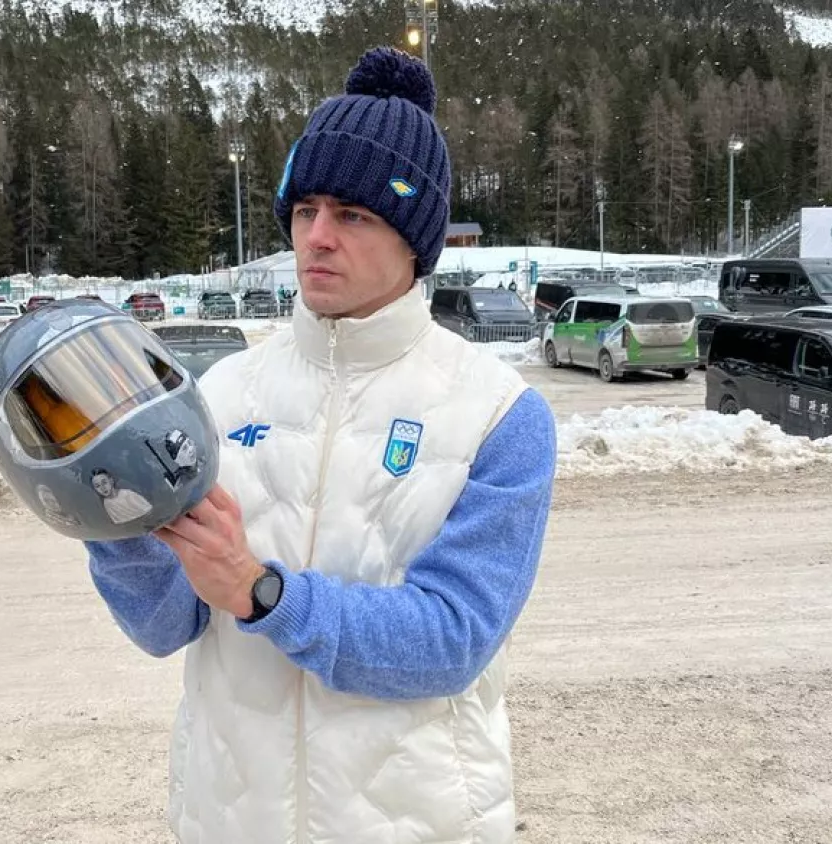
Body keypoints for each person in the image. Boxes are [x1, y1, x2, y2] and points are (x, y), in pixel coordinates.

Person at [85, 46, 555, 844]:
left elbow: (451, 640)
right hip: (231, 819)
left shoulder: (498, 414)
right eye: (304, 211)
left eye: (353, 214)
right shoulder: (222, 396)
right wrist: (107, 511)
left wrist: (264, 593)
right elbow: (165, 625)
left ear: (415, 237)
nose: (318, 237)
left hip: (420, 824)